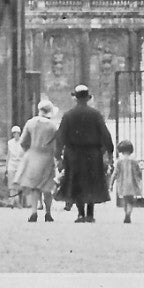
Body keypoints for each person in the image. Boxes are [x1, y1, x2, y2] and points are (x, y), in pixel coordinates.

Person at [55, 84, 113, 222]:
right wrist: (109, 151)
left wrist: (58, 155)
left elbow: (60, 136)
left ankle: (80, 214)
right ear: (88, 98)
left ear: (75, 98)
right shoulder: (95, 115)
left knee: (77, 183)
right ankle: (90, 214)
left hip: (73, 154)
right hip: (92, 154)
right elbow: (105, 135)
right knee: (91, 183)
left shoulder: (68, 115)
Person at [15, 99, 60, 222]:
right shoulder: (53, 126)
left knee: (34, 186)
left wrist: (28, 151)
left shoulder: (30, 123)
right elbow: (57, 144)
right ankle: (48, 213)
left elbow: (23, 141)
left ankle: (34, 211)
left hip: (33, 156)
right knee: (47, 187)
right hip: (47, 157)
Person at [109, 140, 144, 223]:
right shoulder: (134, 160)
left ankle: (126, 213)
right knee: (131, 201)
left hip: (122, 183)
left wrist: (111, 184)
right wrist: (139, 180)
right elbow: (139, 172)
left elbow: (115, 173)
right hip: (132, 183)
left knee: (125, 200)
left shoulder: (119, 161)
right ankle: (128, 214)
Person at [5, 125, 24, 204]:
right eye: (14, 133)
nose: (15, 135)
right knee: (11, 183)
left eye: (17, 133)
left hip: (19, 164)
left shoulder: (23, 142)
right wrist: (6, 166)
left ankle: (19, 201)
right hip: (11, 164)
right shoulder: (10, 143)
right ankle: (12, 200)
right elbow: (8, 155)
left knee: (18, 183)